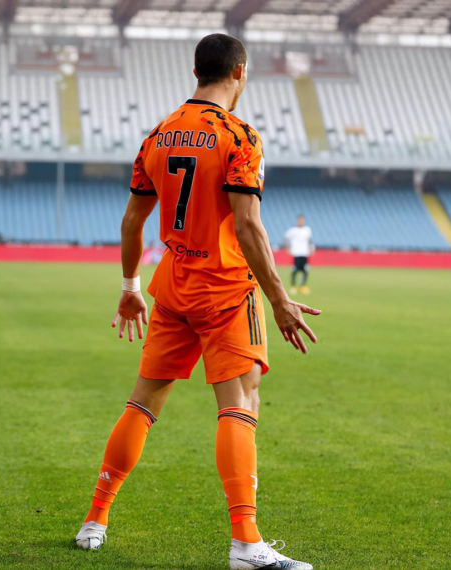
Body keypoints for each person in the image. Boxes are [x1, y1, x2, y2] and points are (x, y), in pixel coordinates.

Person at [74, 33, 320, 570]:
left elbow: (133, 221)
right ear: (240, 72)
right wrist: (280, 298)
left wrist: (130, 289)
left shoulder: (158, 134)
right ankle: (246, 544)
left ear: (195, 73)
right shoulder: (240, 136)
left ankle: (95, 519)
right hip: (227, 290)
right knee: (240, 405)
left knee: (142, 403)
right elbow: (248, 226)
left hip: (173, 288)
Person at [284, 215, 314, 295]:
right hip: (296, 253)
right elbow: (286, 238)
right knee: (295, 269)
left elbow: (310, 240)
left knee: (305, 269)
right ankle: (293, 286)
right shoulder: (293, 230)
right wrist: (287, 247)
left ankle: (302, 286)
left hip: (305, 253)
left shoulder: (307, 230)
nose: (301, 221)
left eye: (302, 220)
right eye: (299, 220)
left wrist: (311, 248)